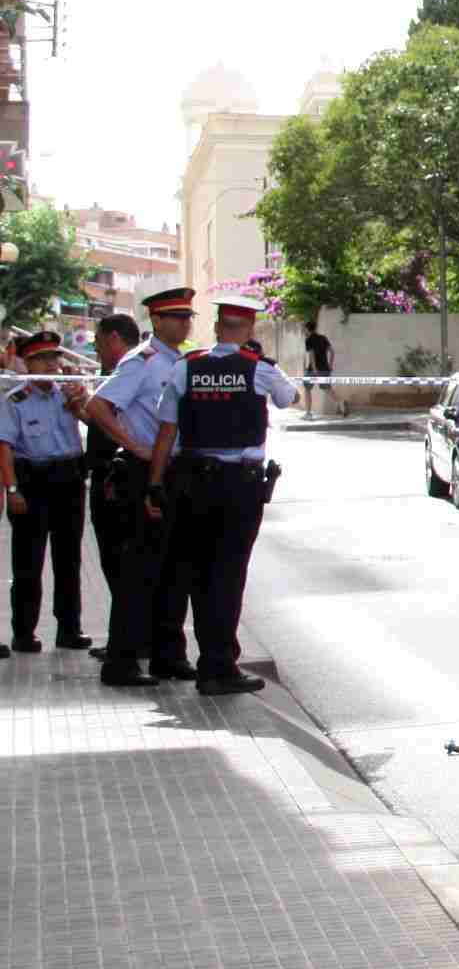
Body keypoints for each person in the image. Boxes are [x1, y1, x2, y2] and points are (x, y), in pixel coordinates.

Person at [145, 294, 294, 696]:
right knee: (228, 573)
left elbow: (166, 431)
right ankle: (218, 665)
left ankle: (206, 657)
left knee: (194, 572)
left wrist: (155, 483)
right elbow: (288, 398)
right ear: (248, 330)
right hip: (238, 485)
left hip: (190, 482)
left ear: (215, 327)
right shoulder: (258, 369)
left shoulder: (184, 368)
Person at [81, 284, 199, 687]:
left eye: (188, 317)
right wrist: (135, 445)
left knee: (175, 570)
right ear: (157, 320)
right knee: (141, 572)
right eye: (177, 317)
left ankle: (169, 655)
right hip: (144, 471)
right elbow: (98, 406)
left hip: (176, 470)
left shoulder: (180, 362)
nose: (184, 324)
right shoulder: (141, 361)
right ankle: (122, 661)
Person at [2, 331, 91, 654]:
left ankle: (70, 628)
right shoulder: (15, 399)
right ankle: (24, 631)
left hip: (68, 479)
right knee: (28, 561)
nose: (53, 364)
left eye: (55, 357)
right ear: (29, 363)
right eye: (44, 358)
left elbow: (92, 420)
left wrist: (79, 402)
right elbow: (5, 447)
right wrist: (12, 489)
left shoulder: (66, 394)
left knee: (68, 558)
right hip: (33, 481)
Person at [74, 313, 141, 659]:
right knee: (113, 562)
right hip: (107, 475)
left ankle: (131, 641)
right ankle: (125, 638)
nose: (97, 350)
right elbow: (107, 425)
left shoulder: (131, 371)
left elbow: (121, 426)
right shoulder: (116, 373)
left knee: (123, 561)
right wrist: (84, 412)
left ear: (115, 339)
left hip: (121, 479)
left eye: (99, 343)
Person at [302, 322, 339, 417]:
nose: (304, 331)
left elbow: (311, 354)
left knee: (307, 389)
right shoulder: (323, 338)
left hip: (313, 370)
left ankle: (308, 413)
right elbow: (332, 351)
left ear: (307, 329)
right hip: (325, 368)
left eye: (304, 329)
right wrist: (330, 365)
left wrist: (314, 369)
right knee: (327, 388)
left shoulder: (308, 339)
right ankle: (341, 403)